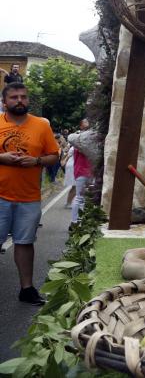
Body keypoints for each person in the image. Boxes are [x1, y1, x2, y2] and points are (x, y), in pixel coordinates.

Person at [0, 83, 60, 305]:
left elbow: (53, 156)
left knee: (25, 243)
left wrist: (36, 161)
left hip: (29, 197)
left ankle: (27, 289)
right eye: (14, 97)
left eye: (23, 97)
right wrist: (2, 157)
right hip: (0, 195)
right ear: (5, 102)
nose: (19, 100)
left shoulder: (41, 126)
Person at [68, 119, 93, 224]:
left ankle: (80, 220)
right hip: (82, 171)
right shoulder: (77, 139)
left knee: (86, 198)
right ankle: (74, 221)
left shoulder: (81, 139)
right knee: (80, 197)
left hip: (90, 171)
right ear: (81, 126)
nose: (87, 123)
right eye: (85, 122)